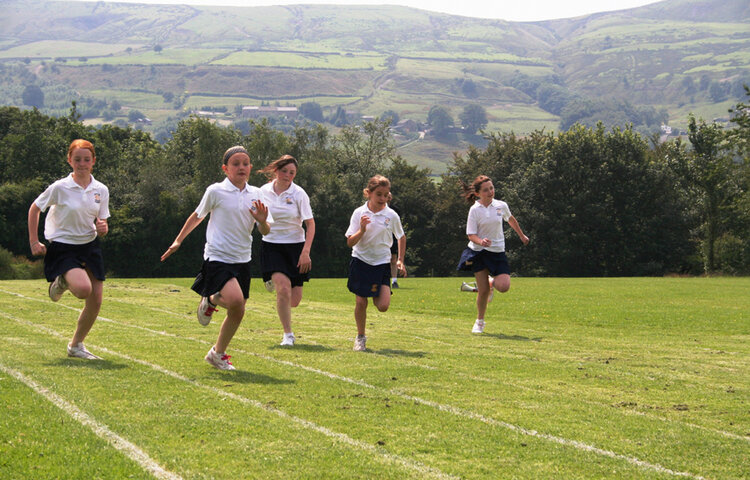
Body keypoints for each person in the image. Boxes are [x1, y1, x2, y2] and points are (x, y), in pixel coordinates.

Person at [161, 146, 271, 370]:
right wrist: (178, 241)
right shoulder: (215, 191)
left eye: (245, 163)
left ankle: (217, 353)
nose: (241, 167)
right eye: (236, 164)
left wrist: (262, 221)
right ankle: (210, 298)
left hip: (242, 258)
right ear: (225, 168)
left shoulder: (257, 194)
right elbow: (197, 216)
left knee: (238, 310)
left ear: (250, 167)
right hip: (217, 256)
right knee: (236, 301)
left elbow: (266, 231)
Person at [28, 139, 110, 360]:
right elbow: (35, 208)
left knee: (96, 300)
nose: (82, 164)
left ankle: (76, 345)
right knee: (84, 290)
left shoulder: (100, 189)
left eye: (86, 159)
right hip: (64, 247)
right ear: (69, 160)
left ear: (93, 161)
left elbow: (102, 223)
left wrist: (103, 227)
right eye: (77, 160)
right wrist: (34, 242)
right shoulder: (59, 187)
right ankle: (62, 281)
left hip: (90, 246)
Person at [457, 175, 529, 334]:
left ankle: (491, 282)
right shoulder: (474, 210)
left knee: (504, 286)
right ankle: (479, 322)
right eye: (486, 190)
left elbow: (510, 219)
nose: (490, 192)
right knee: (482, 292)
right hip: (479, 252)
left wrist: (521, 236)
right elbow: (471, 235)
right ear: (477, 193)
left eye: (491, 188)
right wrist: (481, 241)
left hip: (497, 252)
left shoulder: (501, 205)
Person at [258, 155, 315, 346]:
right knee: (283, 289)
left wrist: (305, 251)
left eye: (292, 173)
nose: (288, 176)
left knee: (294, 300)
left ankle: (275, 284)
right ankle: (288, 335)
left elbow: (310, 224)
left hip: (296, 248)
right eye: (284, 171)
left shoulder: (299, 194)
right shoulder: (262, 192)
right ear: (276, 171)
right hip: (272, 245)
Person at [345, 175, 406, 351]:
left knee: (383, 306)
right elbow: (350, 242)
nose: (382, 198)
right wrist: (362, 230)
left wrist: (400, 260)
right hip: (361, 261)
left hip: (382, 264)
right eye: (378, 194)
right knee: (360, 302)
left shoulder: (391, 215)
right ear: (368, 193)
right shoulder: (359, 213)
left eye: (386, 195)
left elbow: (401, 237)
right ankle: (360, 337)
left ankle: (373, 291)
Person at [387, 192, 402, 289]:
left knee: (393, 259)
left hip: (392, 237)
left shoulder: (395, 210)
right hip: (381, 238)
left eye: (389, 196)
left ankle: (394, 281)